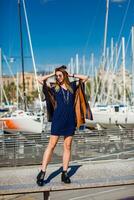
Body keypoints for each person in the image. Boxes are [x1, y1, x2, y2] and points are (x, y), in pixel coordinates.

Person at [37, 65, 89, 186]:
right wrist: (52, 74)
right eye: (57, 76)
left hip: (70, 120)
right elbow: (40, 80)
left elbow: (85, 77)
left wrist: (71, 75)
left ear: (65, 75)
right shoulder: (55, 87)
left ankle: (64, 173)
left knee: (67, 146)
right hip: (58, 120)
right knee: (52, 145)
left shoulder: (72, 87)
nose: (58, 77)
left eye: (60, 75)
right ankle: (42, 172)